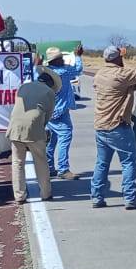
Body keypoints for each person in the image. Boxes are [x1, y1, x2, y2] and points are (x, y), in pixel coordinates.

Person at [90, 45, 136, 209]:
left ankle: (97, 197)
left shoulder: (99, 75)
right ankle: (130, 197)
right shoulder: (121, 74)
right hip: (117, 126)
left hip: (100, 126)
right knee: (128, 162)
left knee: (102, 163)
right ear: (118, 58)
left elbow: (125, 84)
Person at [8, 70, 60, 204]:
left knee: (17, 163)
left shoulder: (24, 86)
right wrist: (42, 129)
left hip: (15, 126)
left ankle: (19, 196)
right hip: (34, 127)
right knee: (40, 161)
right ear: (50, 84)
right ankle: (46, 193)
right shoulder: (49, 92)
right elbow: (48, 115)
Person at [42, 45, 85, 181]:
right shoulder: (63, 72)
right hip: (60, 111)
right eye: (60, 58)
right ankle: (63, 169)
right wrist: (78, 56)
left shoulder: (46, 72)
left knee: (52, 139)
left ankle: (49, 167)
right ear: (56, 60)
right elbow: (78, 69)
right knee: (65, 136)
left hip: (49, 110)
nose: (63, 60)